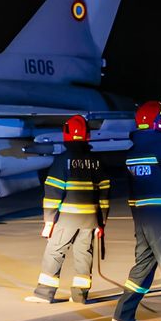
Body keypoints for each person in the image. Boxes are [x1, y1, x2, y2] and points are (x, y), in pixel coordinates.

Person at [26, 114, 109, 304]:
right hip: (90, 220)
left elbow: (53, 193)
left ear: (66, 134)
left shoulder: (62, 160)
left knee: (54, 252)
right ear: (87, 135)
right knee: (84, 254)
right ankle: (80, 296)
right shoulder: (97, 161)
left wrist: (49, 220)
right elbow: (104, 194)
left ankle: (44, 294)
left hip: (67, 219)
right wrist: (101, 221)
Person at [111, 101, 161, 321]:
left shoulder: (132, 151)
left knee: (143, 266)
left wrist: (138, 222)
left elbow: (133, 191)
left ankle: (123, 316)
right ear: (159, 122)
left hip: (142, 217)